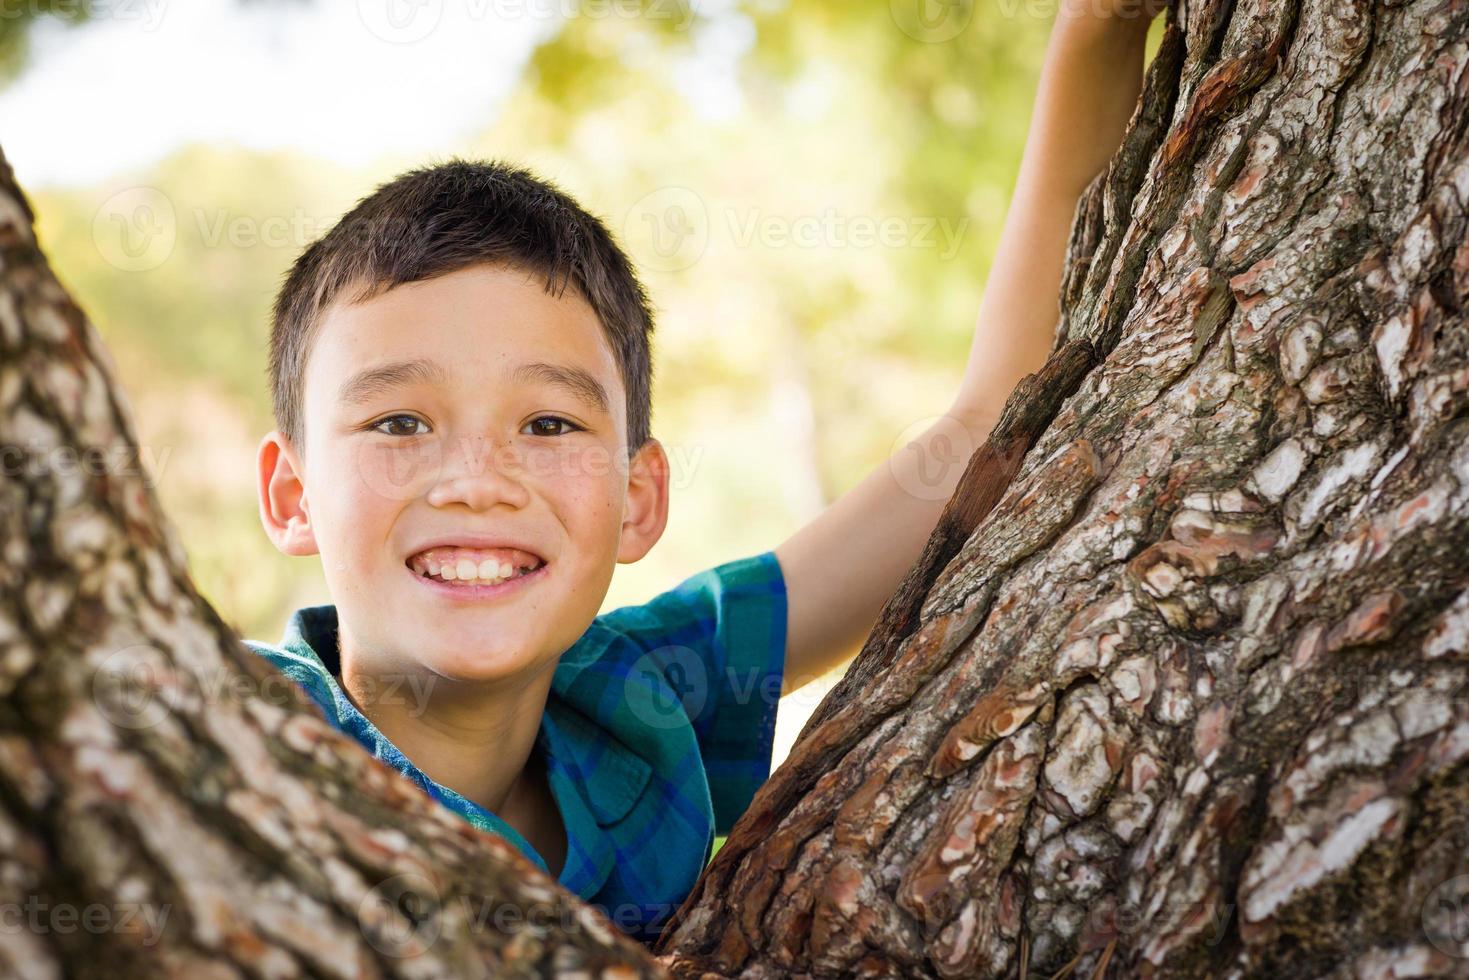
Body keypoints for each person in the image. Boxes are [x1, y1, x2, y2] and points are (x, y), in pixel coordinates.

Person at [245, 1, 1163, 944]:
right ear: (291, 495)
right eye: (399, 421)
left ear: (639, 500)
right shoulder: (212, 727)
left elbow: (982, 427)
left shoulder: (643, 694)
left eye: (548, 422)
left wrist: (1094, 29)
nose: (478, 480)